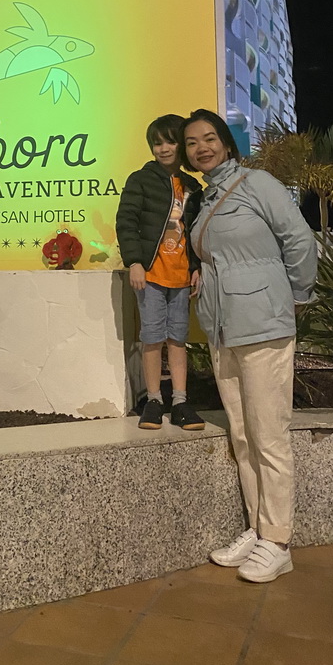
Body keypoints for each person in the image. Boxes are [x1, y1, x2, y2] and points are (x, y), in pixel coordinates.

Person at [180, 109, 317, 583]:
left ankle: (279, 541)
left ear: (227, 142)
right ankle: (258, 529)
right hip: (222, 328)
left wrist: (297, 298)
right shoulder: (204, 197)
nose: (202, 147)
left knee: (269, 434)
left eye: (210, 137)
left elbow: (299, 240)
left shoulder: (258, 184)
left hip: (262, 324)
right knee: (243, 435)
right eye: (193, 142)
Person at [116, 114, 205, 431]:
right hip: (151, 275)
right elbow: (126, 222)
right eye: (157, 142)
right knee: (152, 338)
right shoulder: (140, 180)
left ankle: (180, 401)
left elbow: (195, 232)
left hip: (181, 277)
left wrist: (196, 266)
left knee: (178, 339)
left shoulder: (193, 186)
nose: (163, 148)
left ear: (181, 144)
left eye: (170, 141)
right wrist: (135, 262)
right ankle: (153, 400)